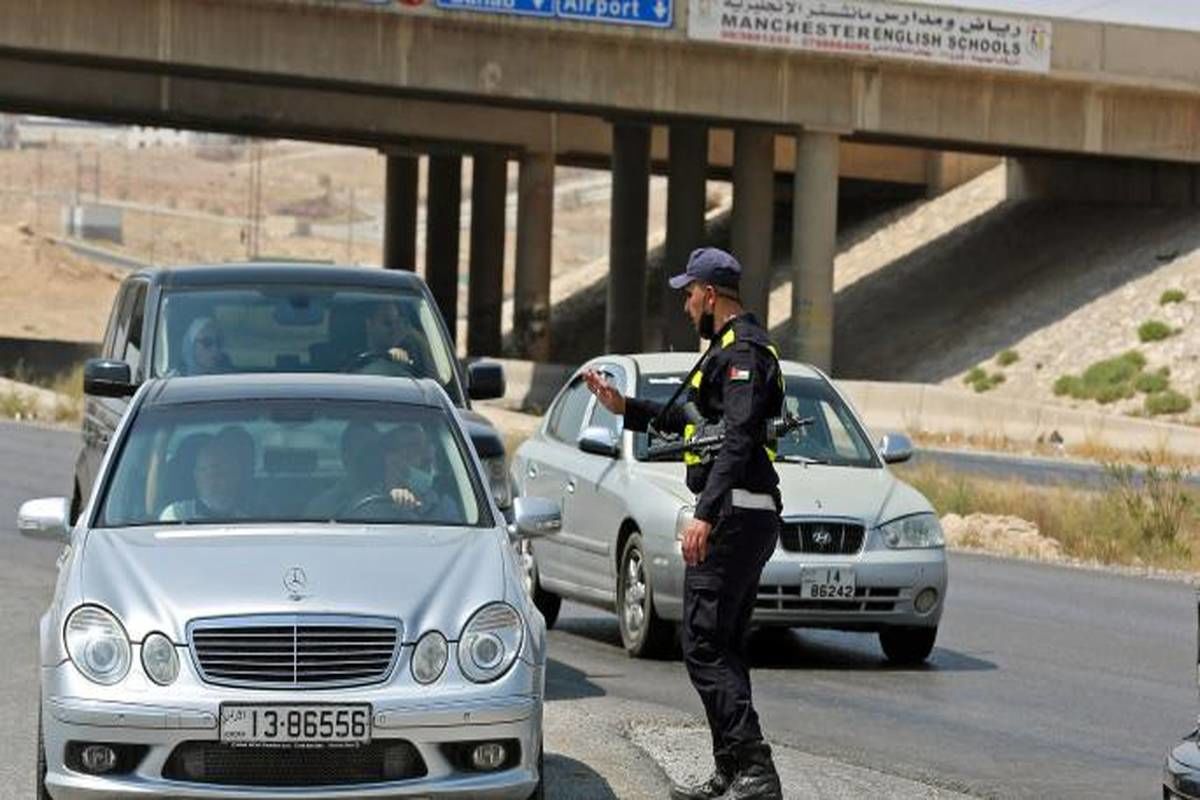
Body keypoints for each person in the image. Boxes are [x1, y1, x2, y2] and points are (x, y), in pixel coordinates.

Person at [583, 247, 785, 800]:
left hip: (735, 512)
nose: (685, 303)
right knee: (722, 645)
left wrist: (705, 513)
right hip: (743, 511)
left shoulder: (742, 351)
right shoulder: (723, 350)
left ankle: (755, 771)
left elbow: (740, 437)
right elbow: (691, 418)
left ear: (711, 294)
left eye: (688, 293)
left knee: (700, 642)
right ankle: (733, 773)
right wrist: (624, 405)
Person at [160, 426, 255, 522]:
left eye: (223, 470)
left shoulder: (249, 523)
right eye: (205, 469)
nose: (213, 477)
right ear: (196, 476)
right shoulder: (176, 515)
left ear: (236, 476)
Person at [380, 423, 456, 521]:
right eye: (413, 446)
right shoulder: (368, 504)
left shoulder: (444, 505)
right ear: (391, 459)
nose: (426, 453)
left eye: (426, 446)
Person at [355, 300, 434, 377]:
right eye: (388, 323)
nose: (395, 328)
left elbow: (433, 377)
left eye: (397, 322)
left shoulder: (414, 354)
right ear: (369, 324)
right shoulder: (355, 361)